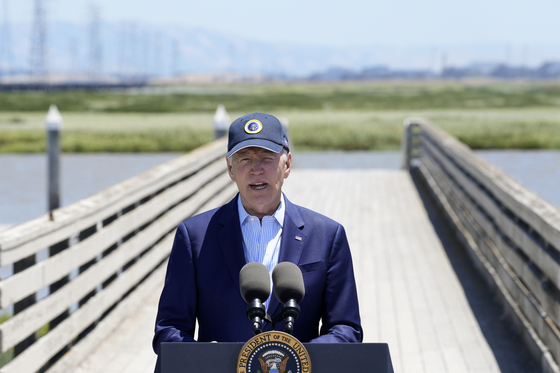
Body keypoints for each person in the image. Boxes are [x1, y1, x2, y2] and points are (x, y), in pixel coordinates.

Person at [153, 112, 362, 357]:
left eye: (267, 157)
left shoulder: (327, 235)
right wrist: (204, 356)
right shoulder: (194, 236)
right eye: (244, 158)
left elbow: (346, 329)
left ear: (287, 164)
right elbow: (168, 330)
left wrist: (299, 357)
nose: (256, 169)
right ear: (230, 169)